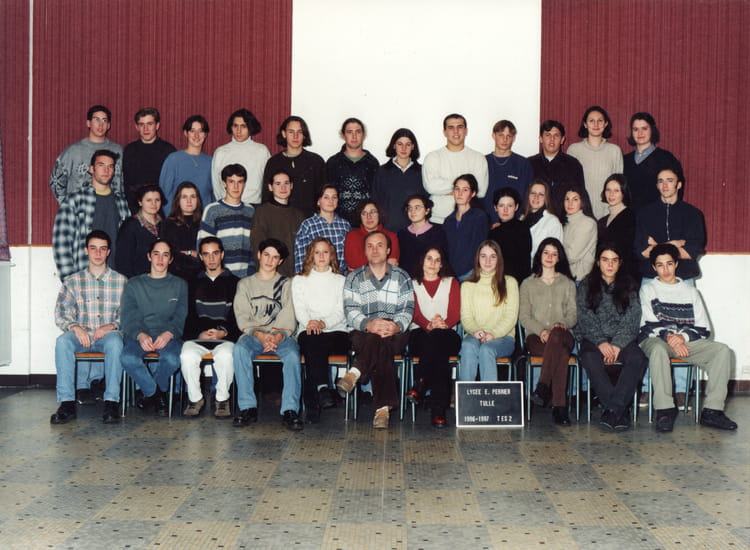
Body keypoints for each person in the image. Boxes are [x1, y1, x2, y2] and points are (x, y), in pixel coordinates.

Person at [639, 244, 737, 432]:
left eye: (669, 263)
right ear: (653, 267)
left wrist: (682, 338)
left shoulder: (690, 291)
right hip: (656, 340)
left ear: (676, 264)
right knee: (658, 350)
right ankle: (665, 410)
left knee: (722, 351)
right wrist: (671, 337)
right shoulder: (648, 289)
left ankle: (712, 411)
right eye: (660, 265)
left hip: (684, 341)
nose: (665, 269)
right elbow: (648, 323)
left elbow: (704, 328)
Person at [338, 231, 414, 429]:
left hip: (395, 331)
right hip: (363, 331)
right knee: (378, 343)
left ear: (388, 250)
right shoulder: (354, 278)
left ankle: (355, 371)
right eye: (370, 246)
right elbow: (350, 310)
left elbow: (407, 309)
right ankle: (382, 410)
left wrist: (396, 326)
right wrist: (368, 324)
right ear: (364, 251)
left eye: (380, 245)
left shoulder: (402, 276)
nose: (374, 249)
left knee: (380, 341)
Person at [50, 230, 127, 425]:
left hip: (108, 335)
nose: (98, 253)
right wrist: (75, 327)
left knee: (116, 342)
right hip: (81, 334)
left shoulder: (121, 281)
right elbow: (61, 312)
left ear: (108, 251)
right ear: (86, 250)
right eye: (93, 248)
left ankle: (111, 402)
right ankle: (67, 403)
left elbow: (129, 315)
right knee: (62, 342)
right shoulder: (73, 281)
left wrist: (112, 325)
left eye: (102, 249)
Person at [232, 239, 303, 431]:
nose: (270, 260)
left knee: (292, 355)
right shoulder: (245, 284)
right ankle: (247, 408)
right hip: (254, 335)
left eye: (275, 257)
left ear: (280, 261)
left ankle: (290, 410)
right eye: (266, 255)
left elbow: (289, 314)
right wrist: (260, 335)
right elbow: (242, 315)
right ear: (259, 255)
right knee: (239, 350)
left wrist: (277, 336)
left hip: (281, 336)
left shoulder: (286, 284)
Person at [576, 243, 647, 431]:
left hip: (622, 340)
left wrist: (617, 344)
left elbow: (633, 317)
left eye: (614, 260)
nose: (610, 264)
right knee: (588, 357)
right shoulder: (586, 285)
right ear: (597, 262)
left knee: (638, 358)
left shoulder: (629, 285)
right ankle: (620, 411)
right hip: (594, 340)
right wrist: (601, 342)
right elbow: (585, 317)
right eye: (605, 260)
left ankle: (613, 409)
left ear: (620, 263)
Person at [120, 240, 188, 416]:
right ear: (149, 256)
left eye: (165, 255)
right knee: (128, 358)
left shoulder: (180, 285)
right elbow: (128, 316)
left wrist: (169, 333)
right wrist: (140, 335)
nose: (160, 259)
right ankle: (156, 394)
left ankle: (150, 395)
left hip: (168, 336)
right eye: (156, 254)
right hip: (140, 335)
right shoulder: (134, 284)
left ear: (171, 259)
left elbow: (180, 316)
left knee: (172, 359)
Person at [180, 237, 240, 418]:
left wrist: (223, 332)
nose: (211, 259)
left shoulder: (235, 283)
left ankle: (222, 399)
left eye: (215, 253)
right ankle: (195, 399)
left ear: (222, 255)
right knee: (187, 355)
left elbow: (238, 317)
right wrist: (199, 333)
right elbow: (188, 315)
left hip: (225, 336)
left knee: (226, 356)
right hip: (199, 336)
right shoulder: (191, 283)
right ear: (201, 257)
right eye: (206, 254)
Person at [519, 238, 577, 425]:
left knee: (557, 336)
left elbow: (573, 315)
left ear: (559, 258)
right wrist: (541, 331)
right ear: (539, 255)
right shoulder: (527, 284)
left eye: (554, 254)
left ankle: (543, 385)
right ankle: (560, 408)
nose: (550, 257)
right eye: (546, 252)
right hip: (536, 337)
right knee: (561, 354)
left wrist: (562, 324)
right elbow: (524, 317)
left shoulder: (567, 283)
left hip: (563, 334)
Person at [292, 238, 349, 423]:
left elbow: (341, 311)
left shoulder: (341, 280)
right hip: (308, 329)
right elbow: (299, 309)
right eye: (317, 252)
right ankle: (323, 389)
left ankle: (315, 399)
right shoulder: (299, 280)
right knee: (312, 341)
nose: (322, 256)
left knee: (314, 347)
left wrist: (322, 324)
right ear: (311, 255)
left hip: (336, 331)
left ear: (331, 254)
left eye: (326, 252)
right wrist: (311, 323)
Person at [52, 150, 130, 280]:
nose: (106, 170)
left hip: (115, 277)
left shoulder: (121, 202)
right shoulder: (74, 201)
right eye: (101, 165)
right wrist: (69, 281)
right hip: (83, 276)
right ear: (91, 169)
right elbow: (61, 243)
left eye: (110, 166)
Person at [407, 247, 461, 427]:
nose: (433, 263)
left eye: (437, 260)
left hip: (447, 333)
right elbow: (413, 312)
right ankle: (439, 410)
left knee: (438, 339)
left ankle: (422, 381)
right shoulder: (411, 283)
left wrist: (443, 324)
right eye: (429, 258)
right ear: (422, 261)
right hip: (419, 334)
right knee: (439, 355)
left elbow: (455, 312)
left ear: (442, 264)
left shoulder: (451, 282)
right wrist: (428, 325)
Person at [458, 240, 519, 382]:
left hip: (503, 337)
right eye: (483, 256)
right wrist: (476, 331)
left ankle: (489, 395)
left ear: (499, 259)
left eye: (493, 256)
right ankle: (465, 394)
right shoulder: (467, 285)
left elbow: (511, 316)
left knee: (487, 350)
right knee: (467, 346)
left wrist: (493, 334)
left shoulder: (510, 282)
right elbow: (466, 316)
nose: (487, 261)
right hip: (475, 334)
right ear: (477, 258)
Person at [634, 165, 705, 281]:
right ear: (657, 185)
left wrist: (656, 247)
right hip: (651, 277)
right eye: (661, 181)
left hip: (684, 277)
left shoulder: (693, 214)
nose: (665, 185)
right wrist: (675, 244)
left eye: (670, 181)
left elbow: (693, 250)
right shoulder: (644, 214)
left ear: (679, 185)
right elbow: (641, 252)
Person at [49, 105, 124, 203]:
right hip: (81, 208)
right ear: (88, 123)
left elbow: (125, 181)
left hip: (111, 207)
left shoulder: (118, 150)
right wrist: (67, 205)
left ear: (109, 125)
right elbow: (56, 181)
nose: (100, 125)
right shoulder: (73, 151)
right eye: (96, 120)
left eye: (104, 120)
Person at [423, 113, 488, 224]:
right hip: (438, 221)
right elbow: (431, 187)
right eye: (451, 127)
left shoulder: (478, 158)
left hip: (469, 221)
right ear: (444, 132)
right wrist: (466, 187)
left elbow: (481, 191)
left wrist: (445, 189)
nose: (456, 131)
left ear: (466, 131)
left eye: (460, 127)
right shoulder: (433, 157)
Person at [198, 164, 256, 277]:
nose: (236, 186)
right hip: (221, 276)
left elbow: (254, 245)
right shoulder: (212, 210)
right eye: (231, 181)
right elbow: (203, 244)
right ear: (224, 183)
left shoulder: (250, 211)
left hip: (245, 276)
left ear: (244, 184)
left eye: (240, 182)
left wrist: (251, 270)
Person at [261, 116, 326, 216]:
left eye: (299, 132)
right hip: (280, 218)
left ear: (304, 135)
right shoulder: (273, 163)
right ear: (284, 134)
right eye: (291, 132)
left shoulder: (316, 162)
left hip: (310, 219)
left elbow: (324, 195)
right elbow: (266, 196)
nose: (295, 136)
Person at [567, 106, 624, 220]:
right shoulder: (574, 150)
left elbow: (619, 186)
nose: (596, 124)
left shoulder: (614, 151)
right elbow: (570, 186)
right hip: (581, 214)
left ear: (606, 124)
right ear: (585, 124)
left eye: (600, 120)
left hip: (608, 213)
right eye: (591, 121)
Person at [623, 112, 683, 211]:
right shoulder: (625, 160)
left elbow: (676, 192)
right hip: (630, 216)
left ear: (652, 130)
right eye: (636, 129)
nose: (640, 133)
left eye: (644, 128)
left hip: (656, 215)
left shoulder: (666, 158)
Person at [251, 170, 306, 278]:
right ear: (270, 187)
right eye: (278, 184)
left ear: (291, 186)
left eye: (286, 183)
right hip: (272, 275)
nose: (283, 187)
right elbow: (258, 247)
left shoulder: (299, 215)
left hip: (297, 275)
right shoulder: (262, 212)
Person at [211, 108, 270, 206]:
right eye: (235, 126)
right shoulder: (221, 152)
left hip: (254, 205)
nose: (239, 130)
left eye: (243, 126)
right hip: (227, 206)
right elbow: (216, 184)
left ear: (250, 128)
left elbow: (268, 182)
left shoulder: (262, 151)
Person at [122, 107, 176, 213]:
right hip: (135, 209)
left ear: (157, 125)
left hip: (162, 209)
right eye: (141, 124)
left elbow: (172, 185)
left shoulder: (168, 151)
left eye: (150, 124)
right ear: (136, 127)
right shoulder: (129, 150)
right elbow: (126, 184)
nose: (145, 129)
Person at [527, 120, 585, 218]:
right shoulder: (529, 164)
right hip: (534, 219)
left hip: (565, 219)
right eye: (548, 135)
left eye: (556, 136)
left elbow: (580, 196)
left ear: (562, 139)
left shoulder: (573, 165)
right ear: (541, 139)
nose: (552, 139)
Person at [326, 117, 379, 222]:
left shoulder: (372, 163)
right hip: (338, 222)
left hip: (365, 223)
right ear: (343, 135)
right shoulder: (333, 163)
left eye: (358, 132)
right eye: (350, 132)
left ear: (363, 135)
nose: (354, 136)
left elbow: (376, 196)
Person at [371, 128, 425, 232]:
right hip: (389, 230)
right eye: (400, 144)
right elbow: (375, 201)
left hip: (416, 230)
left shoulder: (421, 172)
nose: (404, 148)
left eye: (408, 144)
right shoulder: (382, 172)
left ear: (413, 146)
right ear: (394, 145)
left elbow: (426, 202)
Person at [159, 115, 213, 212]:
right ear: (185, 133)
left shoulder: (211, 162)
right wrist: (171, 217)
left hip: (203, 217)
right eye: (192, 131)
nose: (196, 135)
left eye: (200, 131)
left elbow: (215, 193)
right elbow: (164, 192)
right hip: (178, 217)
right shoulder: (173, 159)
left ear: (205, 134)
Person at [294, 184, 352, 273]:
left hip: (340, 277)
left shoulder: (345, 225)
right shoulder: (308, 225)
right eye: (326, 197)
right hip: (315, 276)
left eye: (334, 197)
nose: (331, 201)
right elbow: (300, 258)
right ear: (318, 201)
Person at [483, 120, 533, 223]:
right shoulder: (483, 162)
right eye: (501, 135)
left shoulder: (523, 164)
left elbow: (526, 196)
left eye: (509, 136)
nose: (505, 139)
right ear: (493, 136)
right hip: (486, 222)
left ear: (513, 138)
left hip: (514, 223)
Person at [443, 174, 489, 279]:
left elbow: (480, 247)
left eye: (465, 190)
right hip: (450, 275)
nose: (460, 193)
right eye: (457, 189)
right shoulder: (448, 221)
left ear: (473, 193)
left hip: (471, 273)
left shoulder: (479, 217)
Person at [115, 184, 164, 279]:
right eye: (149, 200)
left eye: (157, 200)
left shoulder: (165, 224)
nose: (154, 204)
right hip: (138, 281)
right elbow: (123, 261)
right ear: (140, 202)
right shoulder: (130, 225)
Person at [159, 182, 203, 281]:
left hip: (202, 275)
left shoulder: (204, 222)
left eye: (193, 197)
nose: (189, 201)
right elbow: (170, 254)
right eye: (184, 197)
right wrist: (191, 253)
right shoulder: (167, 224)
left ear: (198, 200)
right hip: (176, 276)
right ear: (178, 200)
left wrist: (185, 253)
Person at [487, 187, 532, 283]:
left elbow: (525, 263)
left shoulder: (523, 228)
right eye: (501, 205)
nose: (505, 210)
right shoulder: (492, 232)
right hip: (496, 281)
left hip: (517, 282)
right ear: (495, 208)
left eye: (510, 206)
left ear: (516, 207)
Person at [397, 194, 448, 277]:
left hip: (430, 278)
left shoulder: (438, 232)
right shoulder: (402, 234)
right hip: (407, 279)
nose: (412, 211)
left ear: (427, 211)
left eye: (417, 208)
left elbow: (443, 260)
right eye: (410, 208)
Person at [597, 174, 637, 276]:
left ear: (624, 193)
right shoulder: (602, 221)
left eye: (616, 191)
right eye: (608, 190)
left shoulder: (630, 217)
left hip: (624, 275)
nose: (611, 194)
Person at [344, 199, 400, 270]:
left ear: (379, 214)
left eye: (372, 212)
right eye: (364, 213)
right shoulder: (352, 236)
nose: (369, 217)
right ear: (359, 216)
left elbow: (391, 266)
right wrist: (381, 264)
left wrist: (361, 267)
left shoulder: (391, 237)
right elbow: (353, 264)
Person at [520, 180, 563, 267]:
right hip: (522, 269)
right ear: (528, 196)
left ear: (546, 198)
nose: (536, 197)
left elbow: (556, 253)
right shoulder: (521, 219)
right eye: (533, 193)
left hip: (541, 270)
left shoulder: (553, 222)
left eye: (541, 194)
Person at [561, 186, 597, 281]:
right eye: (567, 199)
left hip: (579, 279)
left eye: (575, 199)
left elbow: (572, 256)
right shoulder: (566, 222)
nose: (570, 203)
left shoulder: (587, 223)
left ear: (582, 202)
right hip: (566, 276)